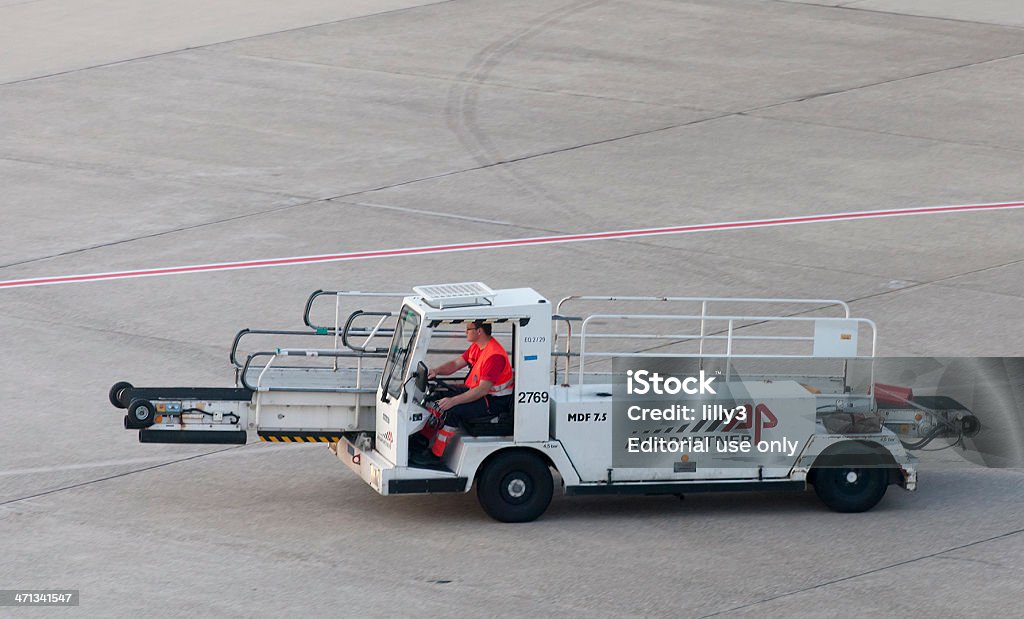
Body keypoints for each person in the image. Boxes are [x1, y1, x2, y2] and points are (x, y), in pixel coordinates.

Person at [411, 319, 514, 465]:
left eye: (468, 329)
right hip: (478, 393)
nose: (465, 332)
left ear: (479, 331)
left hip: (493, 402)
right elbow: (455, 364)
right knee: (438, 395)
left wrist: (453, 401)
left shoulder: (494, 356)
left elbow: (482, 390)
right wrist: (436, 371)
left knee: (453, 410)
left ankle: (435, 455)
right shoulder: (477, 347)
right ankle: (422, 439)